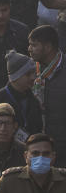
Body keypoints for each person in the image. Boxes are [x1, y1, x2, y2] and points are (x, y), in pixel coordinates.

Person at [27, 26, 66, 164]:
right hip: (37, 146)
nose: (29, 49)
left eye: (34, 45)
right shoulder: (28, 69)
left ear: (48, 47)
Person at [0, 51, 43, 138]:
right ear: (15, 77)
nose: (33, 77)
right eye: (28, 74)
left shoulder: (34, 100)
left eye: (34, 73)